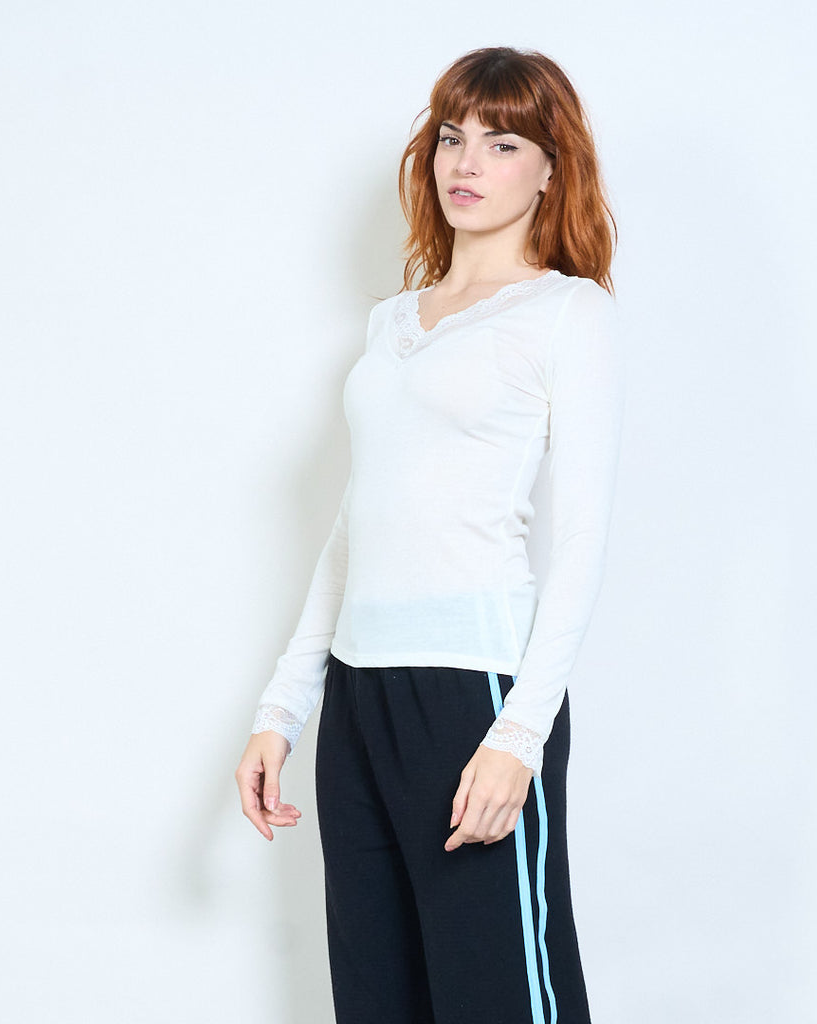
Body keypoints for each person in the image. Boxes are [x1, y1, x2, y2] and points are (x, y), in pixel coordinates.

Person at [235, 45, 624, 1024]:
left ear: (552, 168)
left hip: (474, 694)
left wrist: (520, 736)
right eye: (453, 137)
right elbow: (354, 524)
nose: (467, 161)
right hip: (358, 701)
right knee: (377, 998)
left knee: (499, 998)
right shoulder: (394, 324)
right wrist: (284, 706)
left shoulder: (566, 313)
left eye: (502, 142)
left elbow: (582, 538)